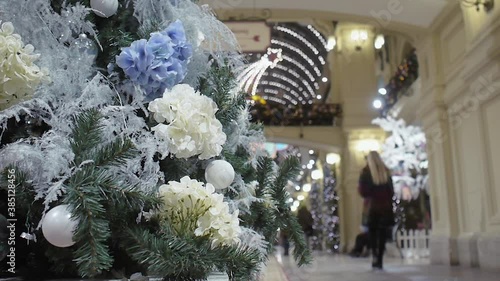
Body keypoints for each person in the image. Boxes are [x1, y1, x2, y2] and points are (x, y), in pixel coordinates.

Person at [358, 151, 395, 270]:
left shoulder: (365, 172)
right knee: (382, 233)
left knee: (372, 233)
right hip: (385, 207)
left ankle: (374, 256)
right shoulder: (386, 171)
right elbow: (391, 191)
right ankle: (380, 258)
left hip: (372, 207)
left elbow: (363, 192)